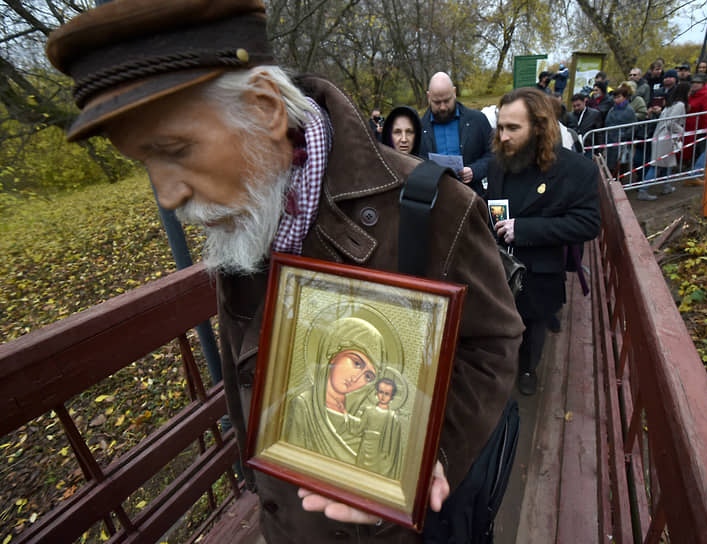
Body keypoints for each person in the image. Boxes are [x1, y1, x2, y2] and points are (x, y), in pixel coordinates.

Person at [45, 2, 524, 541]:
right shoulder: (249, 207)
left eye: (175, 150)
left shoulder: (433, 207)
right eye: (145, 163)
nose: (168, 195)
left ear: (266, 109)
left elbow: (493, 341)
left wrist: (426, 454)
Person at [487, 87, 601, 395]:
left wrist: (525, 229)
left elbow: (588, 223)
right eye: (500, 127)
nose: (504, 136)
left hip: (539, 272)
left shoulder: (578, 170)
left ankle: (528, 369)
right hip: (498, 269)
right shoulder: (499, 162)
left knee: (533, 326)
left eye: (513, 128)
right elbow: (491, 205)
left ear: (539, 127)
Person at [284, 316, 385, 464]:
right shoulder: (303, 405)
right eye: (357, 363)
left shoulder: (358, 417)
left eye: (368, 376)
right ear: (334, 353)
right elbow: (292, 461)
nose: (357, 379)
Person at [419, 72, 495, 196]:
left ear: (454, 92)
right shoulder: (419, 128)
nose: (443, 107)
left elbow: (494, 155)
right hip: (435, 199)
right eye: (437, 102)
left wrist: (474, 171)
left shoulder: (477, 120)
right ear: (428, 97)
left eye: (447, 100)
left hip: (472, 196)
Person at [645, 82, 691, 198]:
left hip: (662, 137)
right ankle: (643, 189)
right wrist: (681, 130)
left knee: (667, 164)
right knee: (657, 165)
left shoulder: (671, 104)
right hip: (666, 138)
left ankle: (667, 186)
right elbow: (671, 123)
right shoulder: (679, 105)